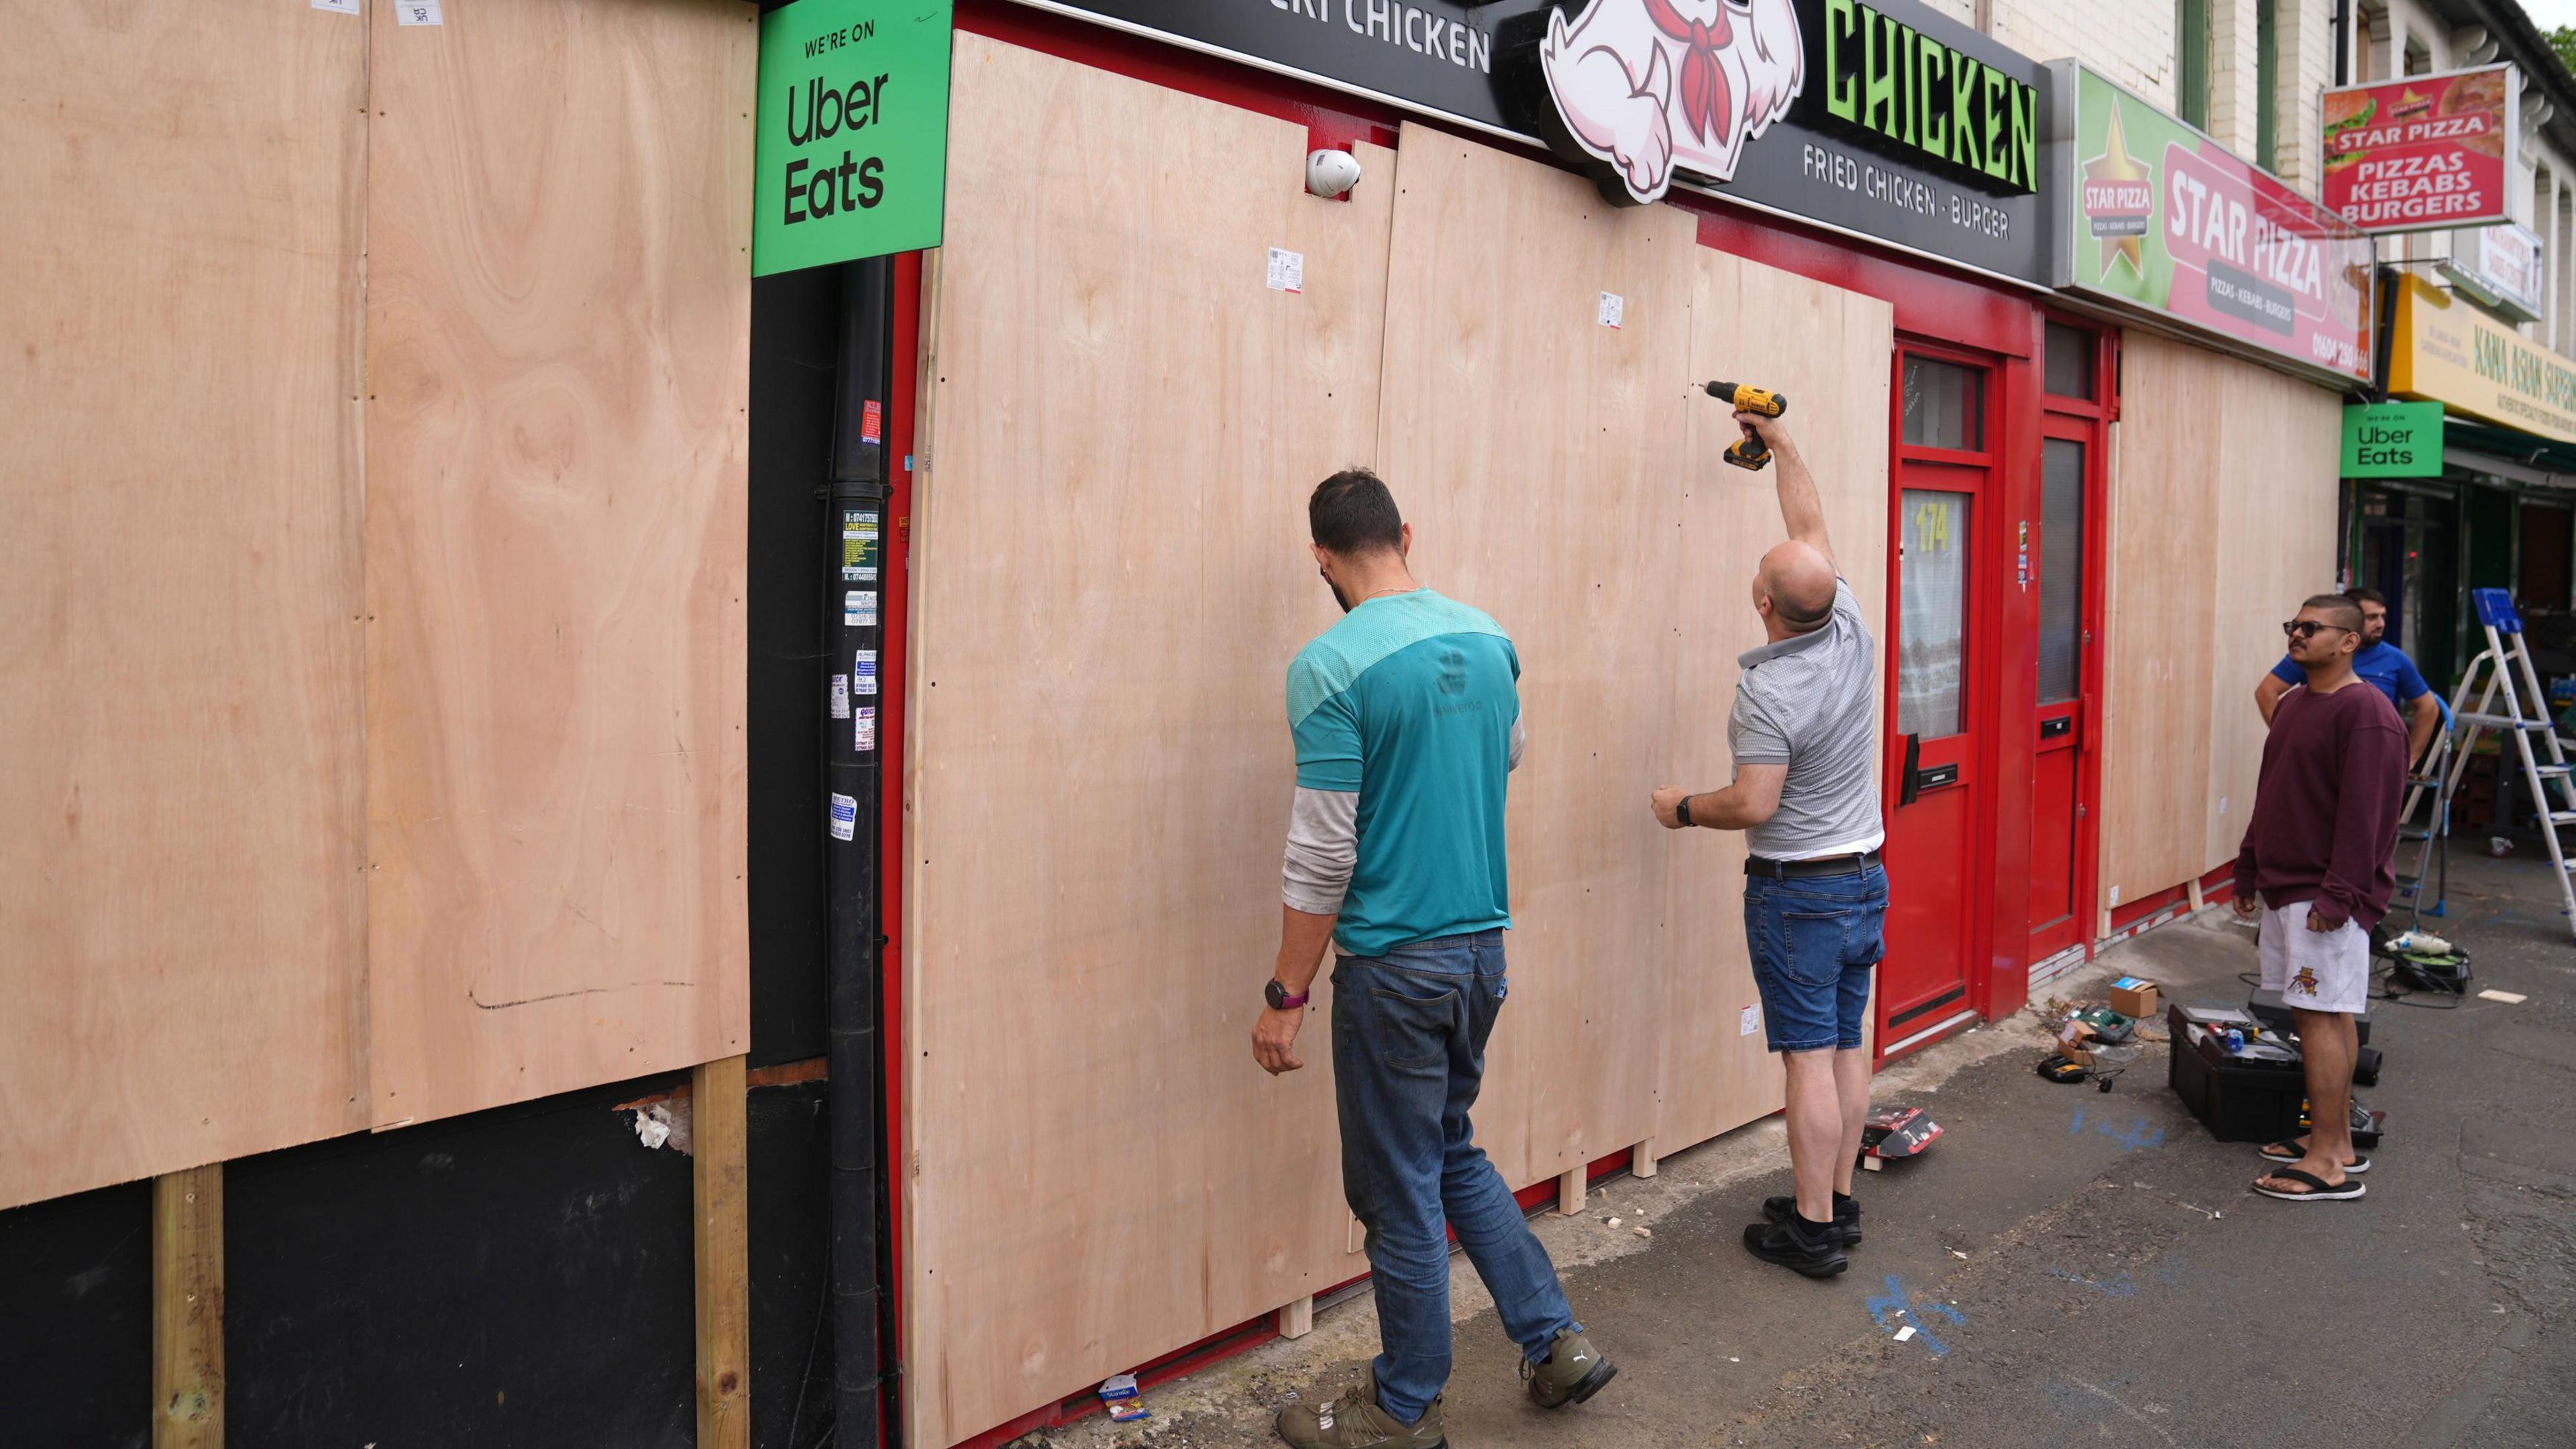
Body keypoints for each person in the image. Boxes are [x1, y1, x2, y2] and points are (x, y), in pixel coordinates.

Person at [1252, 468, 1614, 1448]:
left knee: (1397, 1190)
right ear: (1406, 534)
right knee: (1447, 1150)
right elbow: (1509, 752)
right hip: (1477, 957)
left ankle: (1404, 1404)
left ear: (1322, 558)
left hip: (1395, 971)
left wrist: (1287, 993)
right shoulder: (1489, 640)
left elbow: (1323, 852)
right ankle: (1555, 1344)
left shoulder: (1329, 668)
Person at [1648, 409, 1886, 1279]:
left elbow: (1752, 803)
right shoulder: (1849, 620)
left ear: (1763, 607)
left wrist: (1680, 809)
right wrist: (1782, 441)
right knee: (1848, 1042)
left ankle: (1814, 1230)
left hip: (1802, 893)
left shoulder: (1770, 695)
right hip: (1864, 877)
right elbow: (1809, 529)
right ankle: (1842, 1201)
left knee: (1809, 1058)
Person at [2234, 594, 2407, 1202]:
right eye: (2294, 626)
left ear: (2349, 641)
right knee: (2323, 1013)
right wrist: (2249, 866)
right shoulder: (2292, 706)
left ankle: (2329, 1159)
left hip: (2324, 893)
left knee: (2318, 1015)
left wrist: (2339, 897)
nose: (2297, 636)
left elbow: (2370, 820)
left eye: (2312, 628)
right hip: (2289, 885)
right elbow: (2273, 793)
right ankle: (2335, 1142)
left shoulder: (2368, 714)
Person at [2257, 586, 2440, 768]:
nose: (2381, 624)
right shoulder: (2309, 664)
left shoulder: (2376, 698)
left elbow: (2428, 706)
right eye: (2372, 617)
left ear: (2349, 642)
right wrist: (2291, 742)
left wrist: (2411, 759)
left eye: (2383, 616)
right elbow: (2266, 691)